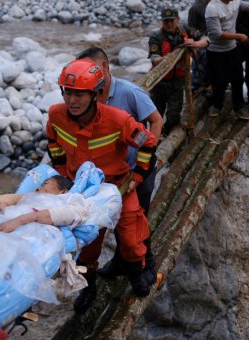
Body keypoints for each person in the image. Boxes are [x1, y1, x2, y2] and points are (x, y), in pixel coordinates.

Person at [47, 59, 158, 312]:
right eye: (68, 92)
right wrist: (63, 173)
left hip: (118, 187)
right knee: (86, 248)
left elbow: (148, 142)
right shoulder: (56, 115)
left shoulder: (118, 120)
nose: (72, 100)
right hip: (83, 194)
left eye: (79, 94)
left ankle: (139, 270)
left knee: (131, 239)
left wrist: (137, 179)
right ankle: (89, 287)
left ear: (95, 94)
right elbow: (52, 142)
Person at [76, 47, 162, 215]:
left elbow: (156, 120)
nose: (87, 73)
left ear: (105, 66)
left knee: (137, 221)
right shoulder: (88, 96)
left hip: (135, 169)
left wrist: (146, 157)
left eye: (91, 68)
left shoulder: (130, 92)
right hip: (106, 173)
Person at [148, 8, 193, 134]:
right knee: (156, 113)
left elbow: (203, 37)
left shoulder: (185, 31)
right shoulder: (156, 37)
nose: (169, 24)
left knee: (174, 113)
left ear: (178, 19)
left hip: (177, 81)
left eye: (171, 21)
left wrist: (194, 43)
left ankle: (168, 134)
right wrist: (167, 59)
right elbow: (154, 58)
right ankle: (154, 138)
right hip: (160, 82)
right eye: (165, 21)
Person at [187, 0, 211, 92]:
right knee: (199, 65)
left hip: (216, 40)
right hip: (201, 41)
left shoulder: (216, 3)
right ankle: (196, 86)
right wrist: (194, 47)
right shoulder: (195, 8)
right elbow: (191, 30)